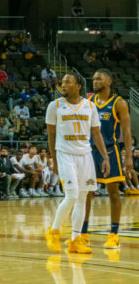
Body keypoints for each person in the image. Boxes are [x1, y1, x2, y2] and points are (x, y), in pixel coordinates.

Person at [45, 73, 108, 255]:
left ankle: (75, 240)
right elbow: (51, 135)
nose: (63, 85)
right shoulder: (54, 106)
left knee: (82, 199)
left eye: (67, 82)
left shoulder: (90, 106)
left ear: (78, 86)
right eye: (62, 82)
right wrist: (54, 160)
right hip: (65, 155)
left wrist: (104, 156)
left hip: (85, 156)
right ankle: (54, 231)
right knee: (71, 196)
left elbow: (96, 134)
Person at [82, 69, 134, 251]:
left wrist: (128, 157)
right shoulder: (88, 102)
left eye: (99, 78)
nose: (94, 81)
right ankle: (83, 234)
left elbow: (126, 132)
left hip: (111, 152)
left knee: (113, 193)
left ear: (109, 81)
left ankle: (114, 235)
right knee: (86, 194)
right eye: (94, 78)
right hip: (89, 152)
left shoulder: (119, 103)